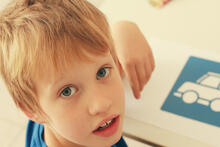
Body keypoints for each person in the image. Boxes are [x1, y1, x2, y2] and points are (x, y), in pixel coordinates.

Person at [0, 0, 154, 147]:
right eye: (67, 91)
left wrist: (123, 29)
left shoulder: (47, 101)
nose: (102, 104)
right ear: (32, 110)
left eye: (101, 72)